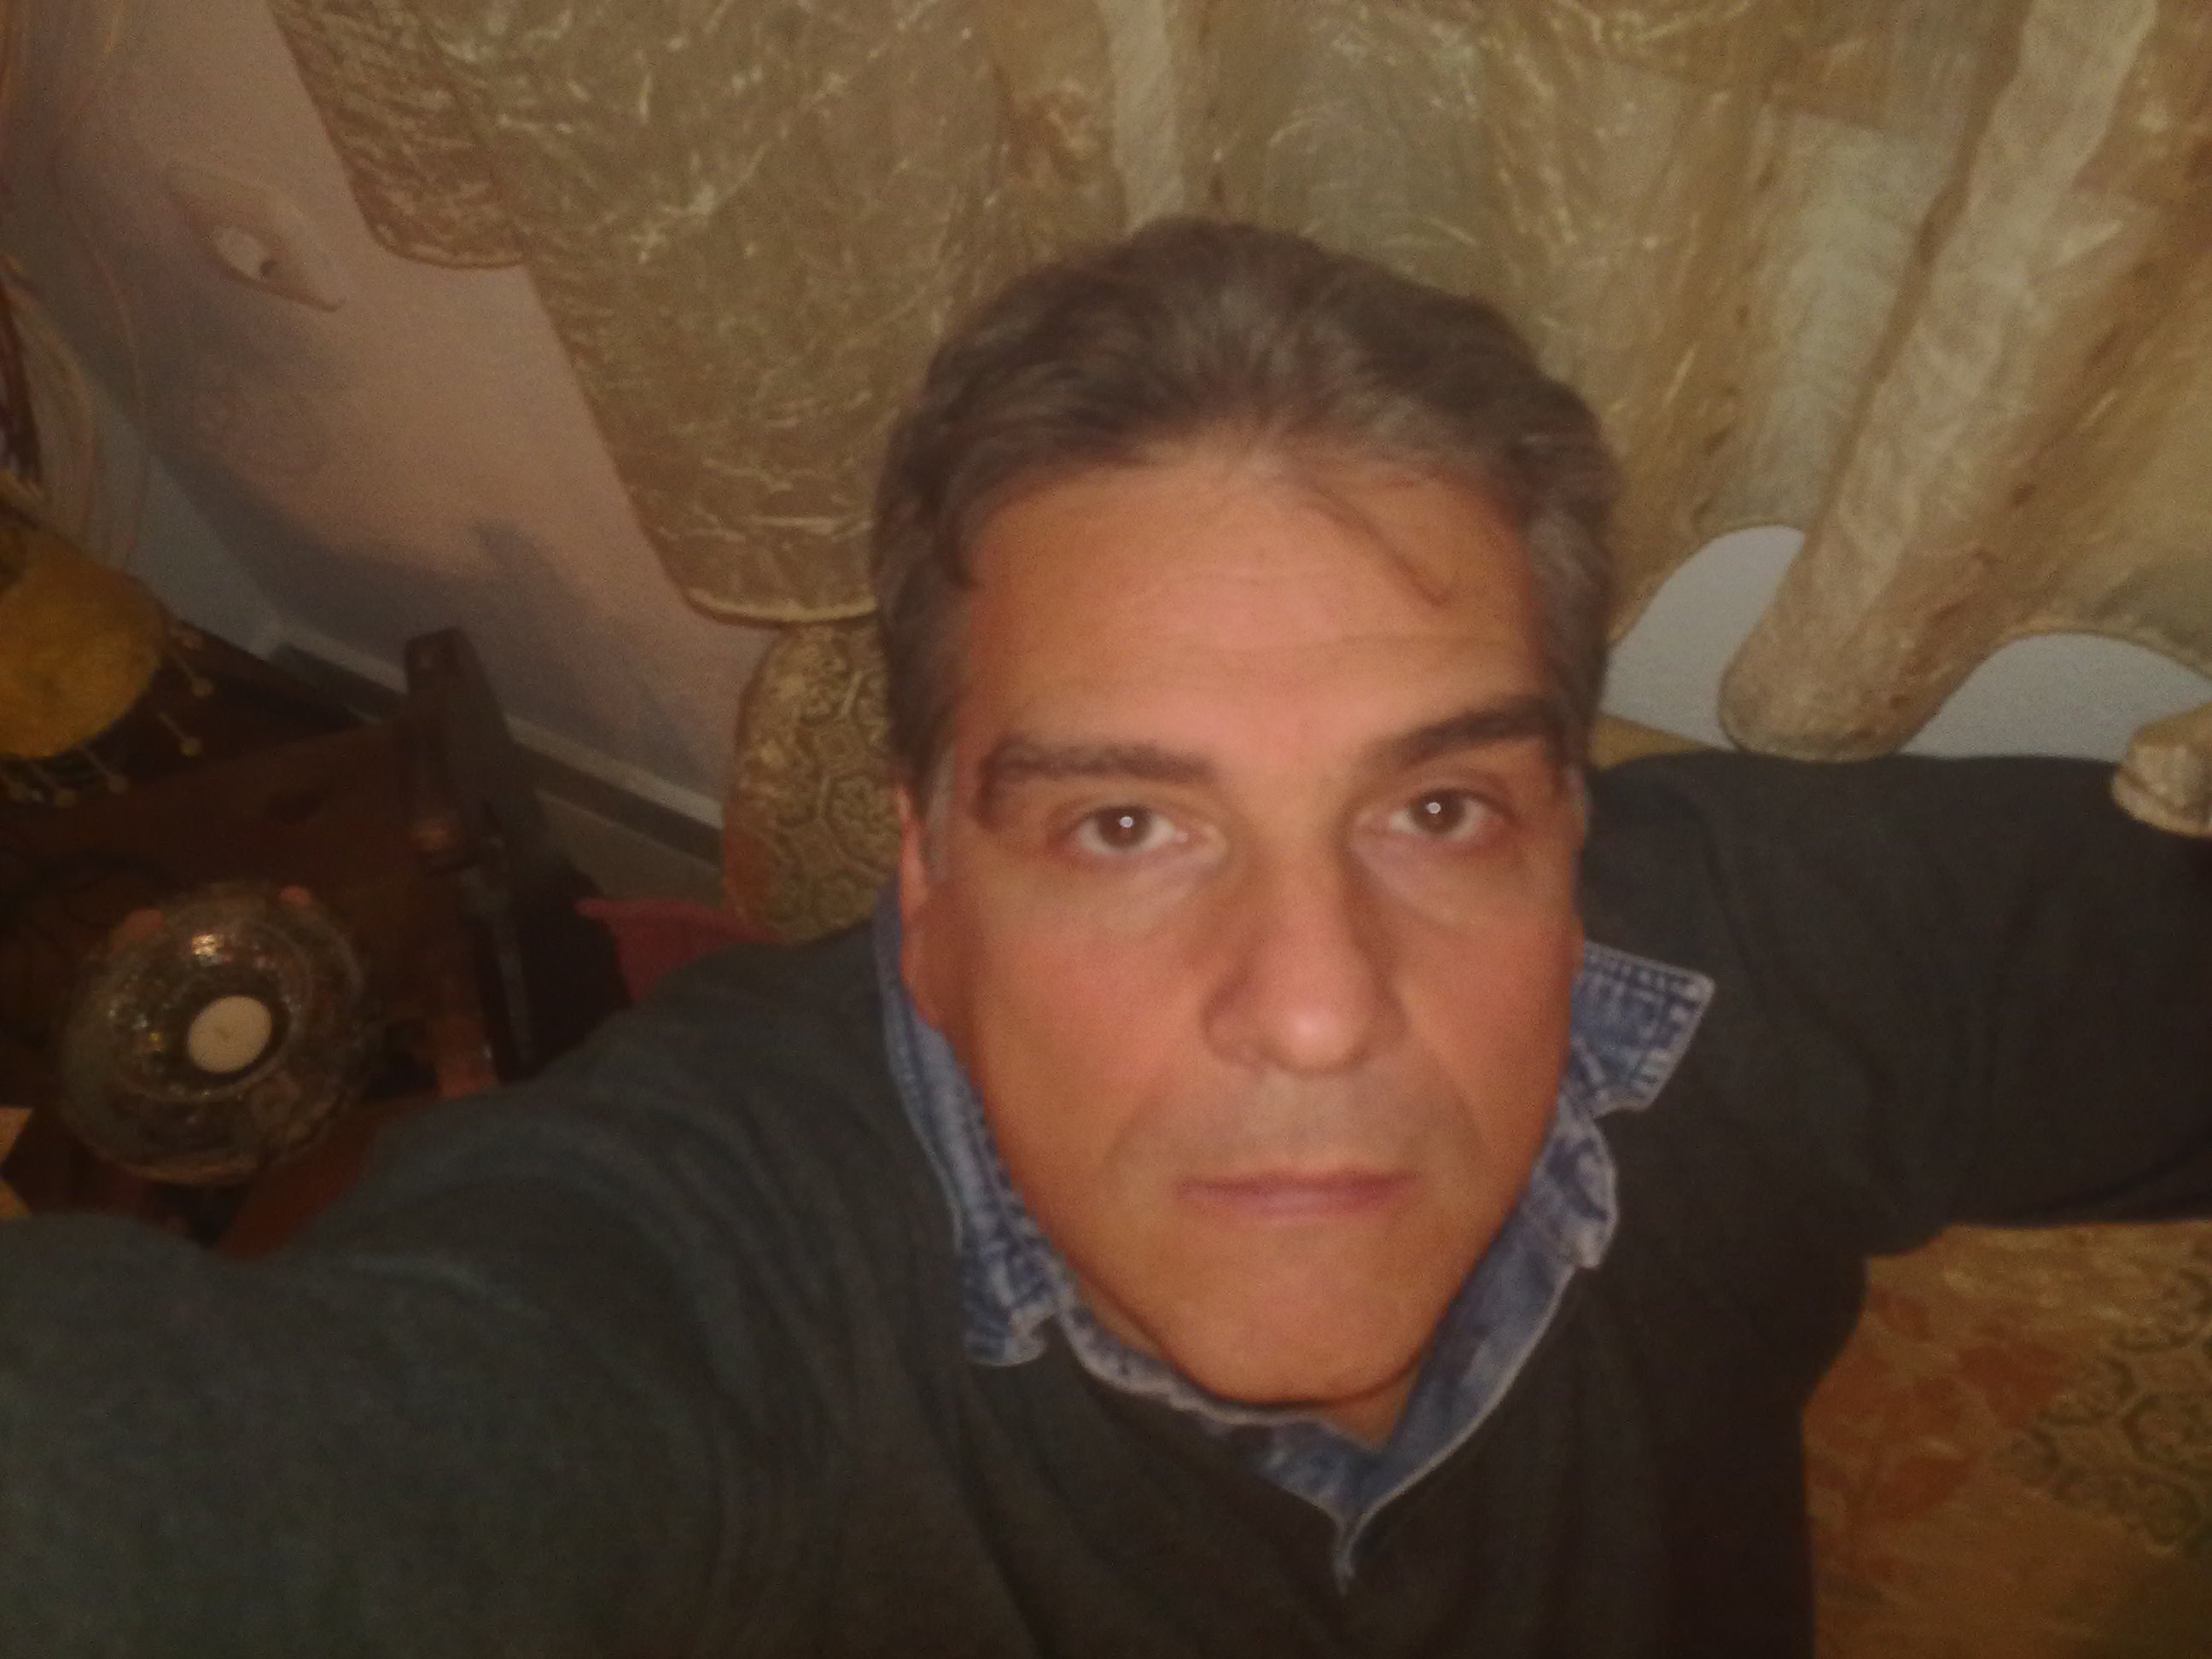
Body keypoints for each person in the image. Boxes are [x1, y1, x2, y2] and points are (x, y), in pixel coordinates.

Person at [3, 218, 2208, 1657]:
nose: (1317, 1009)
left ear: (1568, 830)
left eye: (1439, 809)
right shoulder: (716, 1260)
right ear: (929, 883)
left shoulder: (1759, 967)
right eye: (1128, 823)